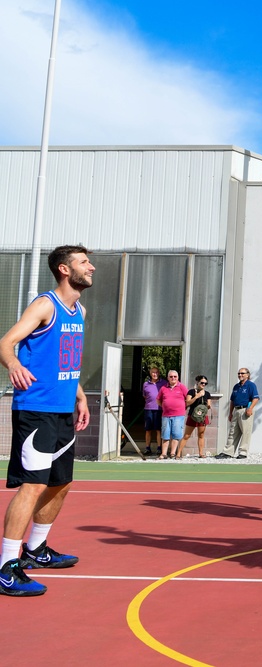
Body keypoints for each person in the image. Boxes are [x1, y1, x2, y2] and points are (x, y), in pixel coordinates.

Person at [0, 245, 93, 597]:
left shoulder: (78, 310)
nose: (92, 267)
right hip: (36, 410)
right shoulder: (45, 305)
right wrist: (13, 364)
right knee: (33, 486)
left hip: (62, 409)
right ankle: (6, 567)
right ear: (64, 270)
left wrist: (81, 395)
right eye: (85, 262)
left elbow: (64, 359)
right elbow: (6, 343)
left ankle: (36, 550)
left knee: (60, 483)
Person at [217, 367, 259, 459]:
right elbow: (232, 400)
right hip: (236, 410)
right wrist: (230, 413)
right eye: (239, 373)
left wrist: (250, 408)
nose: (240, 375)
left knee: (245, 432)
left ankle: (243, 453)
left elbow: (255, 398)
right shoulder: (236, 386)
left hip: (245, 410)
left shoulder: (251, 385)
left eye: (242, 373)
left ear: (247, 375)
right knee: (233, 431)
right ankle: (228, 452)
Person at [178, 375, 212, 458]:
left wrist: (207, 406)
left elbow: (209, 405)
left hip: (202, 417)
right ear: (197, 382)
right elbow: (187, 403)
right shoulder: (191, 392)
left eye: (205, 383)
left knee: (201, 435)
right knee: (187, 435)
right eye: (202, 383)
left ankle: (201, 453)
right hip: (192, 416)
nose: (203, 384)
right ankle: (178, 453)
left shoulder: (207, 394)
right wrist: (197, 396)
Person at [157, 370, 188, 459]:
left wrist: (183, 406)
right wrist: (164, 406)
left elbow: (188, 399)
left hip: (179, 415)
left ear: (178, 378)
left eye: (175, 376)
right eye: (171, 377)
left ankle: (173, 453)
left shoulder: (182, 387)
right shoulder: (163, 388)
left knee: (176, 435)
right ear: (168, 378)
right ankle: (164, 454)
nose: (173, 378)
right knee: (165, 435)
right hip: (166, 415)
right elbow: (158, 400)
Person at [141, 367, 166, 456]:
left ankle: (159, 448)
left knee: (158, 429)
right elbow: (145, 396)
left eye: (156, 372)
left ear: (159, 373)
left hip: (159, 409)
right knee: (148, 430)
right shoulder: (146, 384)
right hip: (148, 409)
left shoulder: (163, 383)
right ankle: (147, 448)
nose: (155, 374)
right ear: (150, 374)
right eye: (153, 373)